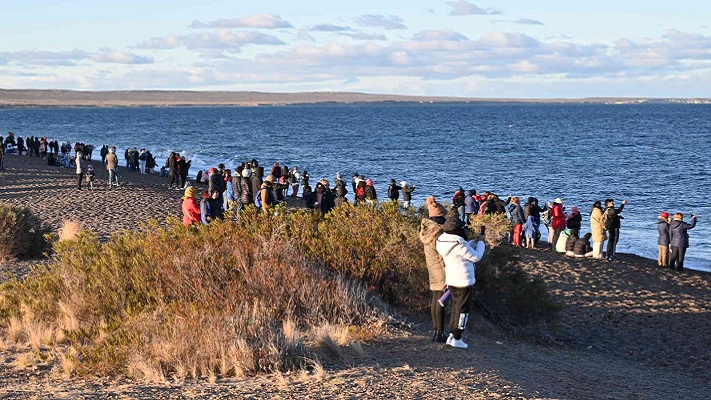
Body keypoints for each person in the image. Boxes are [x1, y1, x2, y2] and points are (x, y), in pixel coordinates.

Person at [435, 217, 486, 349]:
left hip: (451, 278)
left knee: (455, 308)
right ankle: (457, 338)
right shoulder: (459, 244)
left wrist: (472, 242)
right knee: (463, 310)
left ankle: (452, 335)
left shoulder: (442, 241)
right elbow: (476, 257)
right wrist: (481, 243)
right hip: (464, 280)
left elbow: (461, 249)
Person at [418, 204, 447, 343]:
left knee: (436, 299)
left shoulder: (426, 231)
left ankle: (436, 330)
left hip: (432, 267)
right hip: (440, 268)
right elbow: (443, 255)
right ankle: (440, 332)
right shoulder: (438, 233)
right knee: (442, 301)